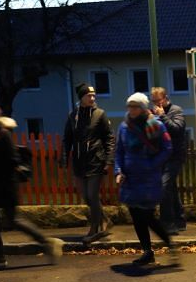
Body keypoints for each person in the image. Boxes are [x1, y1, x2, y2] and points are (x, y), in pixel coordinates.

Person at [0, 103, 63, 270]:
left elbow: (13, 159)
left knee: (13, 220)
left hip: (5, 184)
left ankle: (47, 242)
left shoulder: (2, 133)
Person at [114, 93, 173, 265]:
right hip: (130, 179)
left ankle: (169, 243)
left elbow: (167, 148)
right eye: (129, 106)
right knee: (136, 216)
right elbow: (119, 151)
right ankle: (147, 251)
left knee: (147, 216)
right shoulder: (124, 126)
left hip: (148, 179)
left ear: (142, 108)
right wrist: (118, 171)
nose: (131, 110)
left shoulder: (155, 125)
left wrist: (152, 164)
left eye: (135, 107)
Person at [61, 83, 115, 244]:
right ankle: (105, 220)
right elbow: (67, 139)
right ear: (81, 97)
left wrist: (109, 159)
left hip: (96, 160)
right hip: (79, 162)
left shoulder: (100, 114)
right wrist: (64, 157)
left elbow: (109, 138)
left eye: (93, 95)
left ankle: (94, 229)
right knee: (86, 197)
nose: (92, 98)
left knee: (92, 195)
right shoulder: (73, 116)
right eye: (88, 95)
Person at [150, 87, 187, 235]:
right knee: (170, 188)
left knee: (164, 187)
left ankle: (167, 224)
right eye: (153, 101)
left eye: (158, 100)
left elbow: (177, 129)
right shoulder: (153, 113)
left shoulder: (176, 110)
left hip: (175, 156)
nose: (155, 104)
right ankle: (179, 220)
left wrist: (162, 116)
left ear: (165, 98)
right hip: (161, 156)